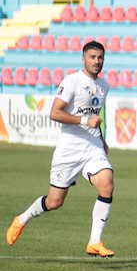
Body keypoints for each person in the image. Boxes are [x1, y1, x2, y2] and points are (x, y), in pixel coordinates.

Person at [5, 41, 116, 257]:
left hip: (92, 148)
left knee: (107, 184)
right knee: (55, 201)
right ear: (83, 58)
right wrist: (85, 120)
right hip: (69, 150)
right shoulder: (72, 81)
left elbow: (95, 116)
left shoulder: (104, 86)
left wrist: (101, 140)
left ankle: (94, 242)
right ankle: (22, 219)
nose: (97, 61)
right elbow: (55, 113)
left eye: (100, 57)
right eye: (92, 57)